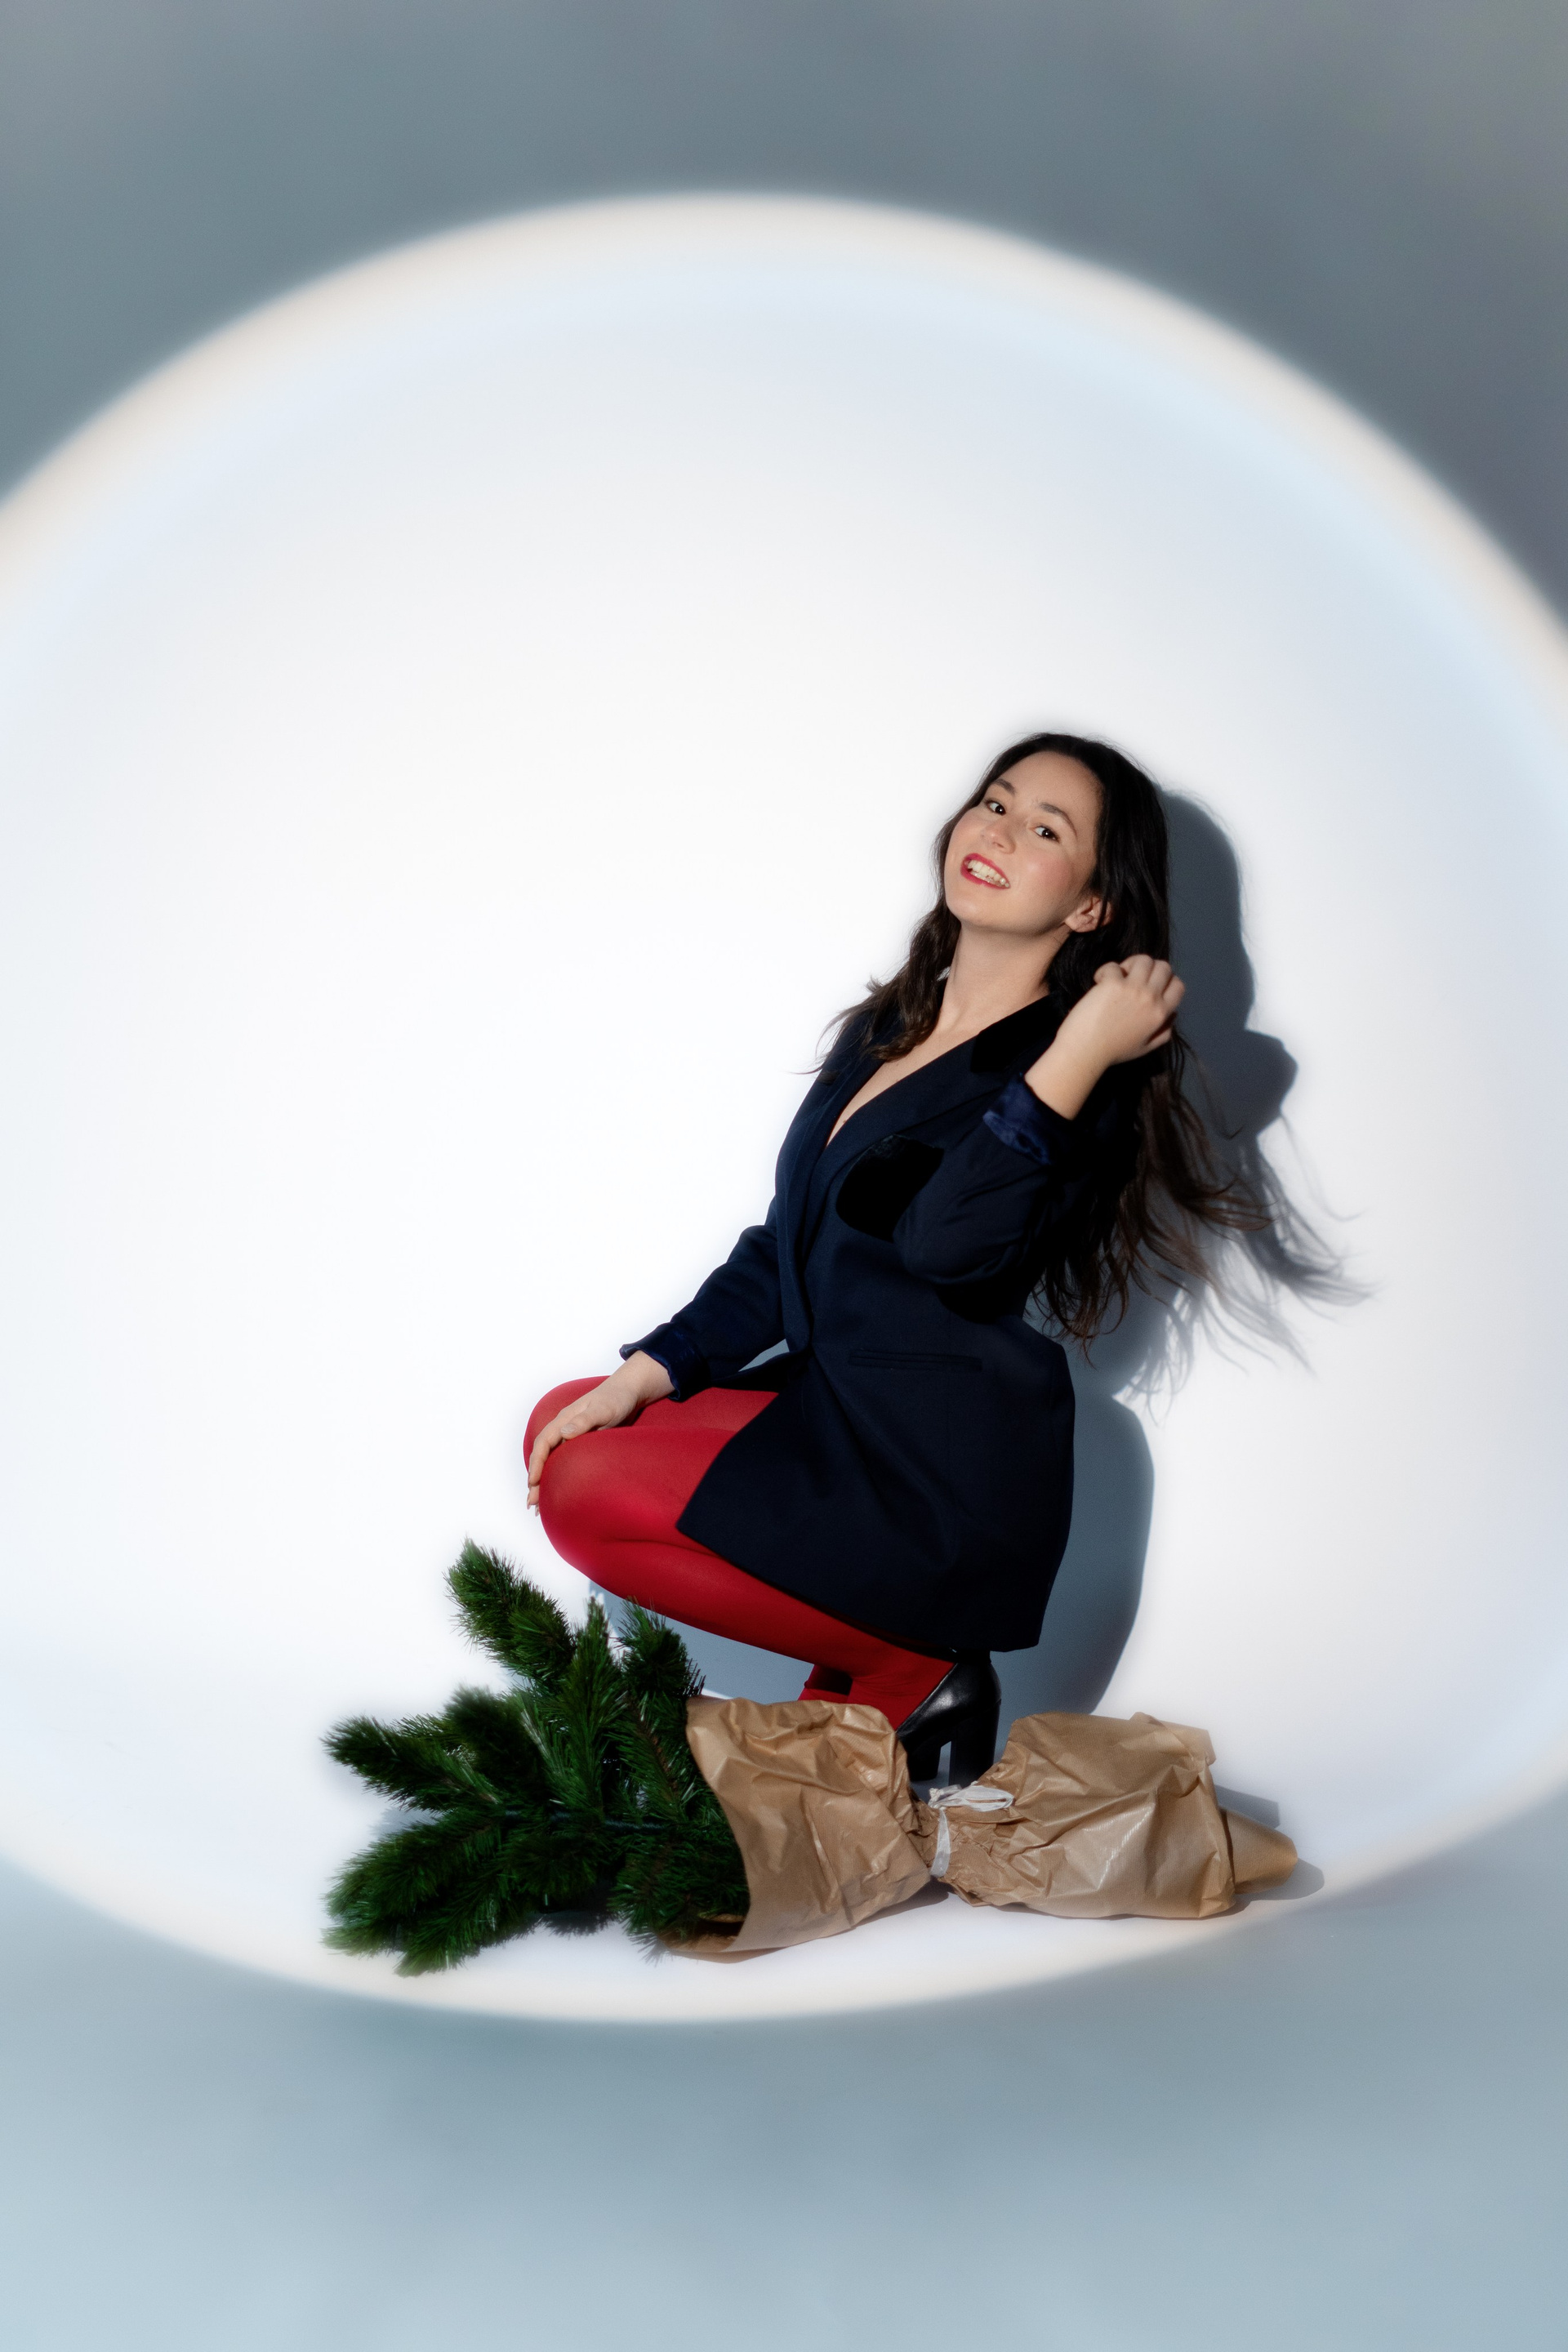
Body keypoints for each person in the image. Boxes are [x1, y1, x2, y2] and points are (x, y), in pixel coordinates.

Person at [524, 732, 1261, 1780]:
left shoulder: (1073, 1078)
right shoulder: (886, 1028)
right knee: (565, 1418)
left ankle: (914, 1668)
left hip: (933, 1472)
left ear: (1091, 906)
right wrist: (646, 1371)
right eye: (995, 803)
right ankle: (865, 1685)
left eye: (1045, 829)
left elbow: (950, 1246)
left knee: (585, 1490)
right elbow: (786, 1241)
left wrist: (1079, 1048)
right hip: (839, 1410)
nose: (999, 832)